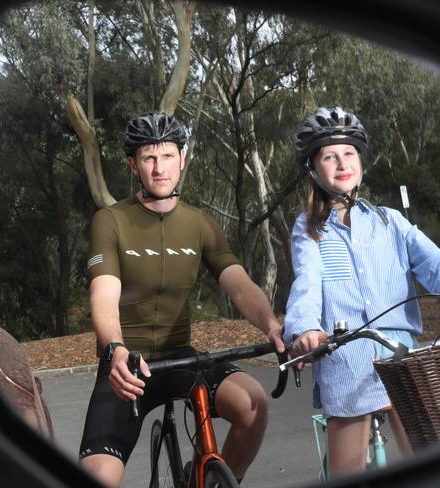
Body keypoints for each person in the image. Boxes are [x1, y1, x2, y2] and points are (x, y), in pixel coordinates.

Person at [283, 106, 440, 477]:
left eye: (349, 152)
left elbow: (439, 266)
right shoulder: (310, 229)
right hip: (346, 362)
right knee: (346, 471)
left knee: (434, 466)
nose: (341, 162)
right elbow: (307, 280)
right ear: (314, 169)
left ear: (361, 160)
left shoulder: (389, 221)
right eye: (329, 156)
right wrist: (303, 330)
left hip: (402, 359)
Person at [79, 112, 285, 487]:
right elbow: (104, 295)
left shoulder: (200, 223)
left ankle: (211, 484)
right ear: (133, 165)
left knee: (255, 405)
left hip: (181, 359)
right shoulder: (110, 221)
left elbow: (239, 286)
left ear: (183, 159)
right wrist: (116, 350)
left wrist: (272, 325)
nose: (159, 168)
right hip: (127, 367)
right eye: (148, 158)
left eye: (168, 156)